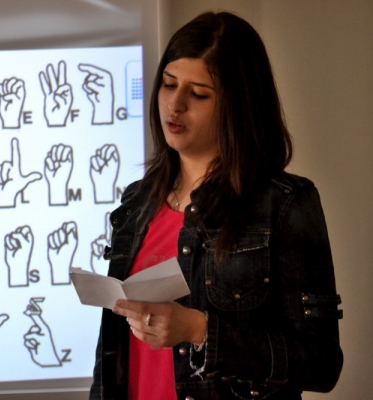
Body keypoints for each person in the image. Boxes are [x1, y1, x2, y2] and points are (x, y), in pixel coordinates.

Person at [89, 11, 343, 400]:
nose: (174, 105)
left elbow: (321, 364)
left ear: (238, 105)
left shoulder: (285, 203)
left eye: (199, 94)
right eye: (169, 85)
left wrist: (199, 331)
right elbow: (110, 356)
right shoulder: (137, 202)